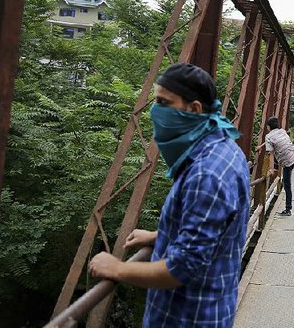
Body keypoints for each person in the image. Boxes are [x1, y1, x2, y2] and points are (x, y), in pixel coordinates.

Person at [88, 63, 250, 328]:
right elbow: (216, 228)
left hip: (188, 317)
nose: (155, 112)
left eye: (164, 102)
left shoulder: (206, 173)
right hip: (209, 309)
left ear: (194, 109)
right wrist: (161, 234)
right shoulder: (225, 149)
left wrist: (116, 268)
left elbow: (181, 268)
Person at [265, 116, 294, 216]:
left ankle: (288, 210)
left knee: (287, 185)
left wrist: (271, 169)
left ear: (269, 127)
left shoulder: (268, 137)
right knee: (286, 180)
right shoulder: (282, 131)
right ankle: (282, 182)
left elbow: (270, 154)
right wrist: (262, 146)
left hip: (288, 162)